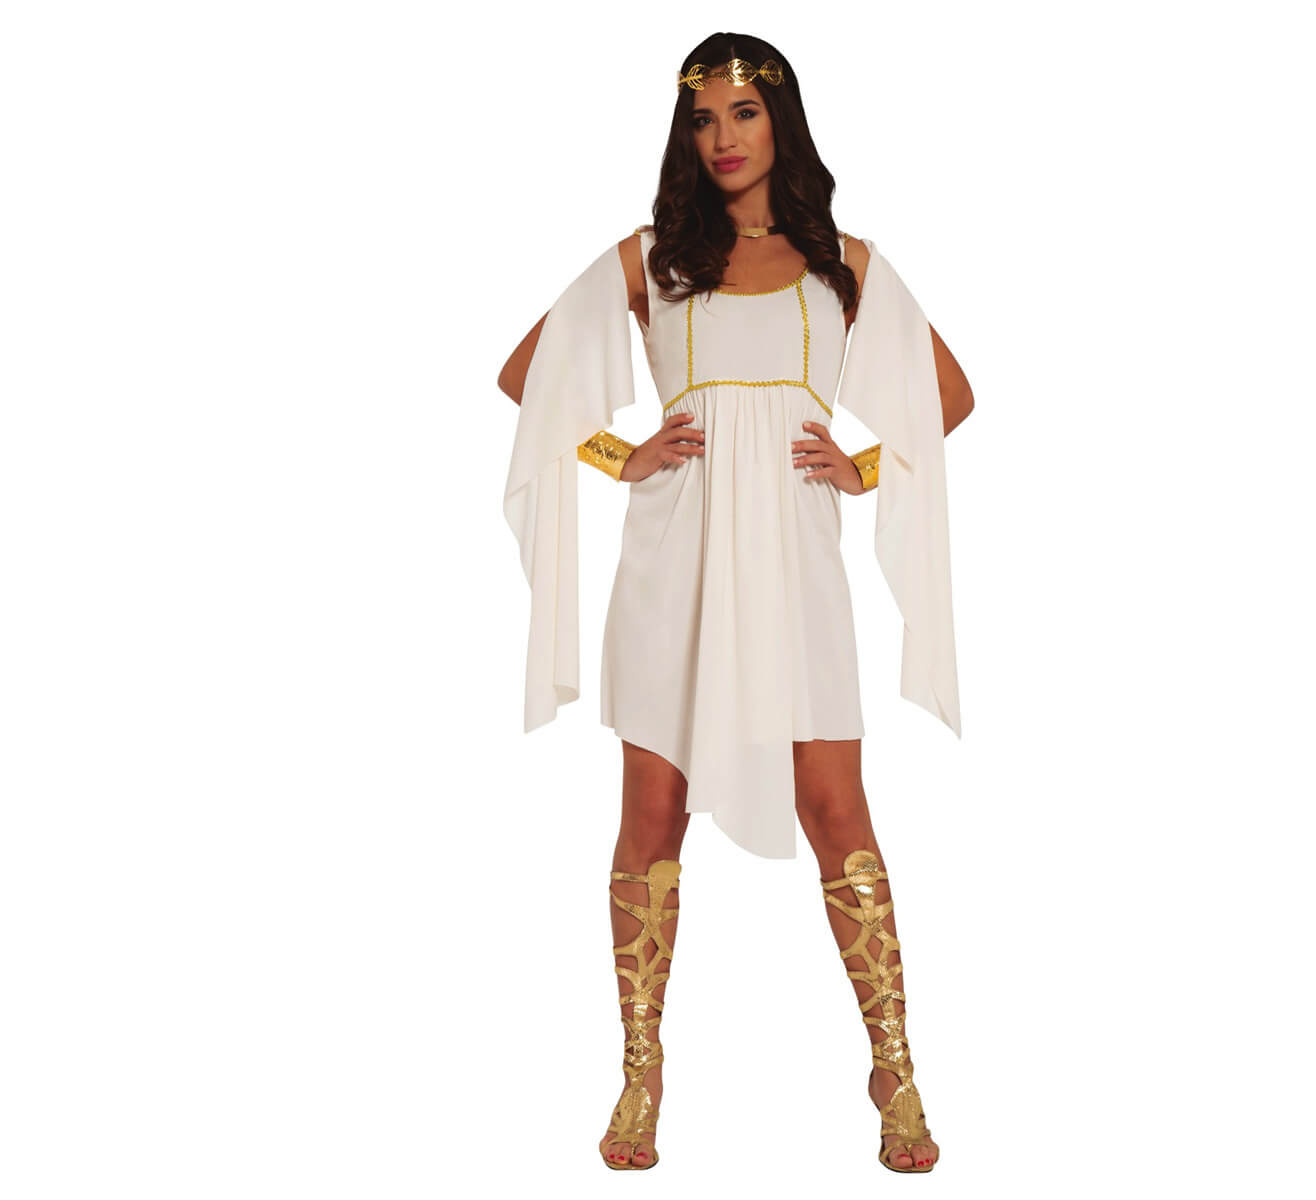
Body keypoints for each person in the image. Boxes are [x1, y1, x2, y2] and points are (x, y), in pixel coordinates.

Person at [497, 33, 973, 1173]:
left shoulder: (842, 262)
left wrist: (861, 468)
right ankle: (640, 1069)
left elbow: (948, 395)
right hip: (671, 563)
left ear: (779, 122)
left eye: (743, 114)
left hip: (797, 566)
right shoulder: (653, 257)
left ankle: (894, 1067)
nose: (723, 137)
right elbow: (525, 374)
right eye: (704, 117)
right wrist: (620, 453)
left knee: (835, 808)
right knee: (652, 812)